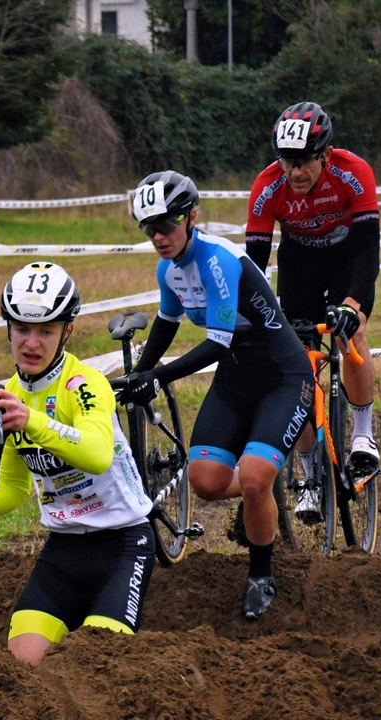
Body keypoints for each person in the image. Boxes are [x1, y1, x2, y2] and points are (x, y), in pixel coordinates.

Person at [0, 262, 155, 664]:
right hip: (63, 551)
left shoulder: (85, 385)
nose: (31, 342)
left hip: (122, 545)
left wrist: (33, 421)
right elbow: (10, 492)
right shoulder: (10, 394)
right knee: (21, 670)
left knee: (96, 665)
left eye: (46, 331)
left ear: (67, 331)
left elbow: (98, 455)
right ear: (7, 328)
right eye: (22, 329)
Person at [123, 170, 313, 619]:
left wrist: (161, 377)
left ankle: (261, 576)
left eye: (166, 224)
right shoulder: (168, 269)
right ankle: (261, 490)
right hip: (237, 379)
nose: (158, 236)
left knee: (251, 479)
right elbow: (167, 323)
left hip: (283, 374)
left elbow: (217, 343)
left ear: (191, 218)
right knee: (204, 481)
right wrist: (143, 372)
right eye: (148, 228)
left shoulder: (217, 260)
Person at [244, 101, 381, 496]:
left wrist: (353, 305)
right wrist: (255, 318)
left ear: (324, 155)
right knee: (297, 364)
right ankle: (306, 474)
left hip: (347, 258)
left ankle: (362, 436)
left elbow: (368, 252)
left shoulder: (353, 173)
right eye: (287, 162)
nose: (295, 172)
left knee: (350, 336)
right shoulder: (267, 187)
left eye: (304, 161)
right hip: (299, 264)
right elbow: (254, 266)